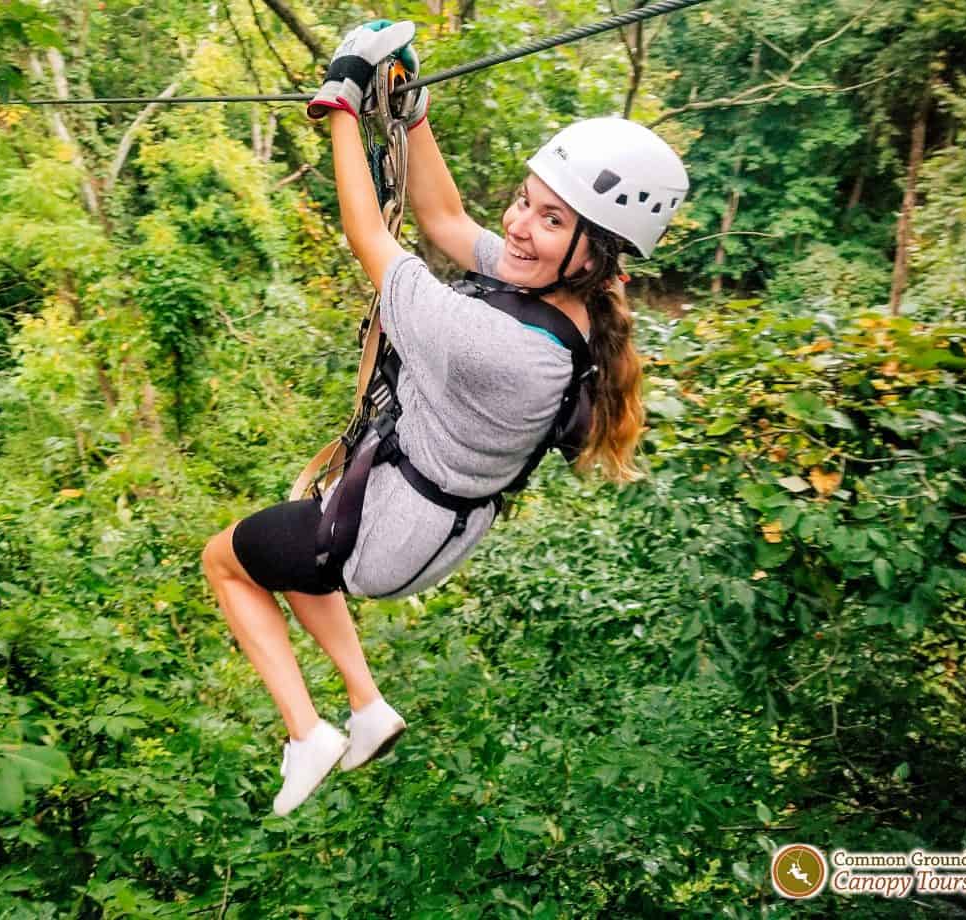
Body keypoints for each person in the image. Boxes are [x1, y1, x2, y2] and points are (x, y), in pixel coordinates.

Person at [201, 21, 689, 817]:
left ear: (597, 253)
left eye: (551, 221)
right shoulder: (564, 300)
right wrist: (412, 110)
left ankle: (307, 734)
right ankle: (365, 706)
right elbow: (447, 224)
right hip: (410, 522)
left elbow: (371, 235)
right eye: (525, 204)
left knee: (226, 561)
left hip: (387, 533)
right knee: (295, 550)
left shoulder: (505, 348)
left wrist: (344, 105)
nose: (522, 228)